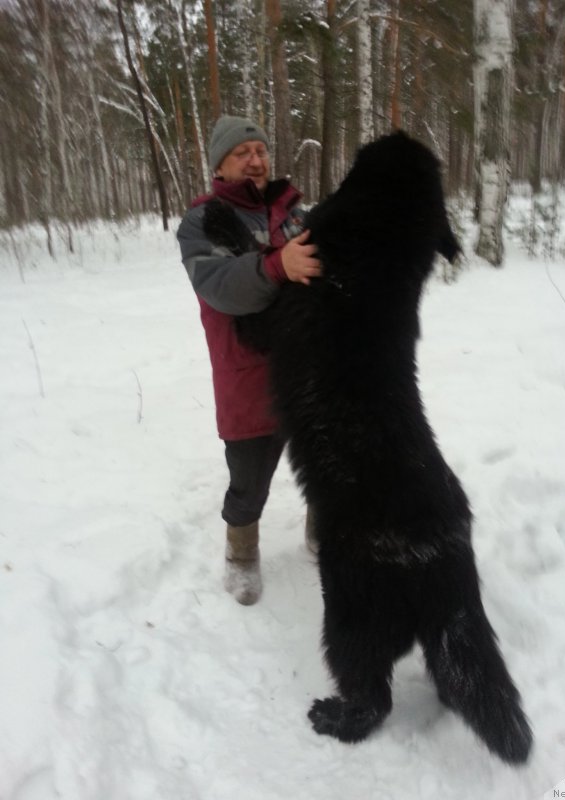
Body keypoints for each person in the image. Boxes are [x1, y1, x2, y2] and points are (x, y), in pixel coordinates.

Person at [177, 115, 321, 606]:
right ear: (220, 164)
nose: (256, 159)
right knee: (249, 483)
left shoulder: (294, 210)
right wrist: (280, 264)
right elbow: (220, 287)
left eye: (260, 149)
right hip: (248, 378)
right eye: (243, 152)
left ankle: (323, 535)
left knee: (325, 463)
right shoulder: (202, 221)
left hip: (308, 371)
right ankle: (241, 555)